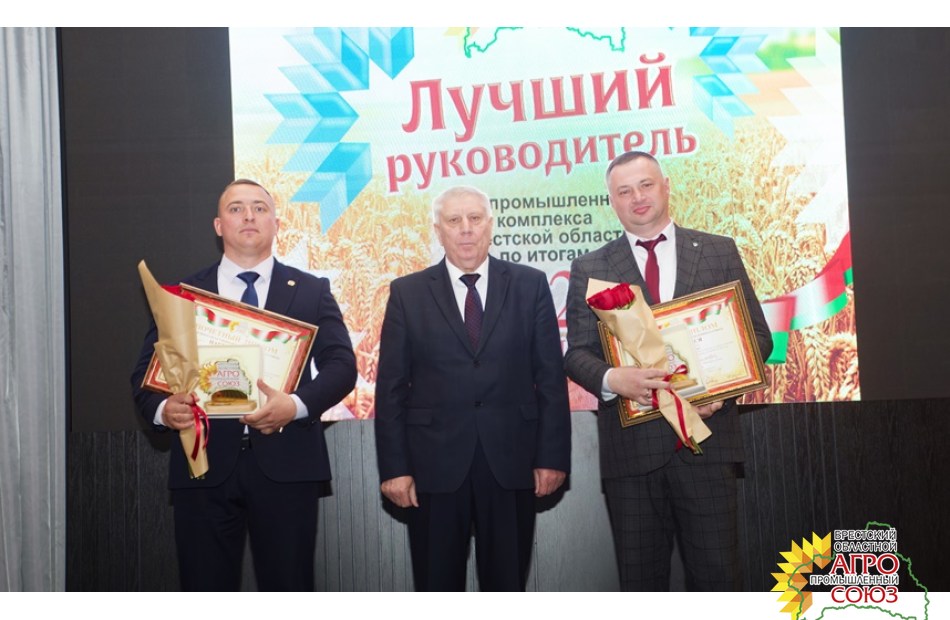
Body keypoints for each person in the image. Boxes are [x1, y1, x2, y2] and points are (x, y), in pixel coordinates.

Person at [131, 179, 357, 591]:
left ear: (276, 223)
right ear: (219, 225)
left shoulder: (311, 290)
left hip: (288, 467)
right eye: (236, 209)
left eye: (259, 208)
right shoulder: (183, 294)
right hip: (203, 468)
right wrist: (166, 411)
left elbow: (342, 366)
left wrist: (295, 405)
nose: (248, 216)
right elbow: (146, 377)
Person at [564, 151, 773, 591]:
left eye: (645, 185)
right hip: (632, 456)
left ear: (666, 186)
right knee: (642, 587)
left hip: (707, 446)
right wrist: (613, 380)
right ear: (612, 201)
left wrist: (720, 391)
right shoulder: (591, 267)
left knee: (719, 582)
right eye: (624, 191)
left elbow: (757, 336)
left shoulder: (718, 250)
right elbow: (577, 353)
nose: (637, 197)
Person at [374, 185, 572, 591]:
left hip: (511, 464)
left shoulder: (530, 284)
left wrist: (552, 457)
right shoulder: (407, 293)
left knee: (507, 585)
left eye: (475, 218)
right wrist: (395, 468)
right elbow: (390, 388)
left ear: (490, 225)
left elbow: (551, 379)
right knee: (437, 586)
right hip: (433, 468)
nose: (465, 229)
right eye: (454, 220)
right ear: (438, 230)